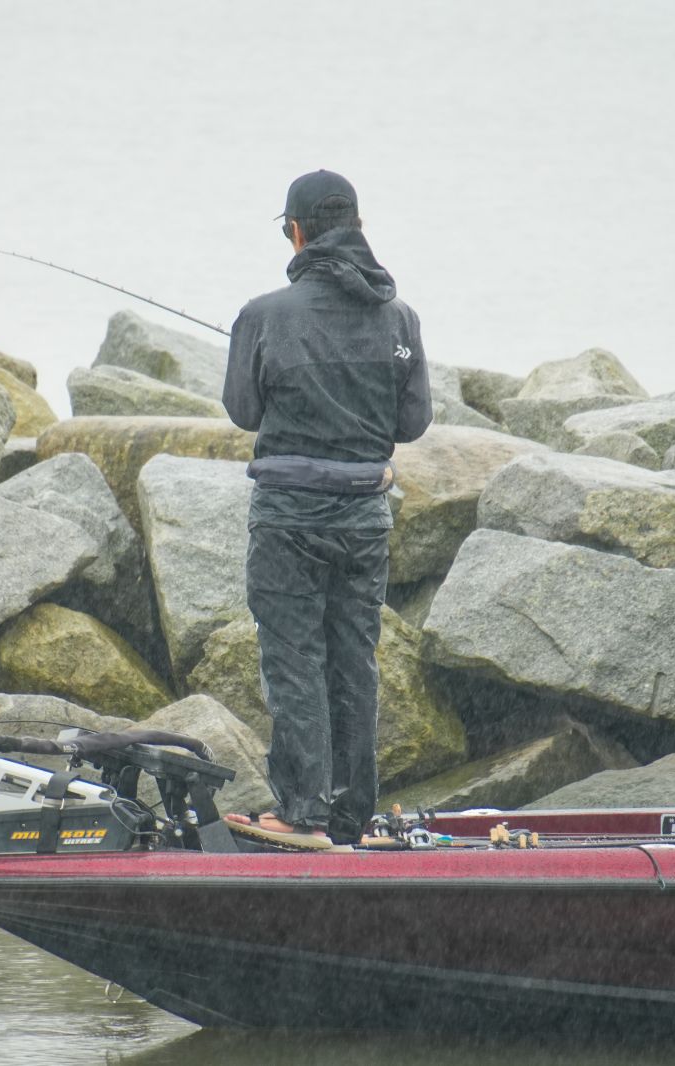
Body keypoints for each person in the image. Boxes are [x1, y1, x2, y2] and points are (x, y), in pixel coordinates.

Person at [221, 169, 433, 846]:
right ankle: (351, 817)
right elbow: (412, 423)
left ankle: (303, 813)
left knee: (294, 660)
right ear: (358, 228)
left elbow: (243, 410)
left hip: (288, 520)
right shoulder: (400, 318)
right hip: (364, 520)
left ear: (296, 232)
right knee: (353, 663)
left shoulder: (263, 315)